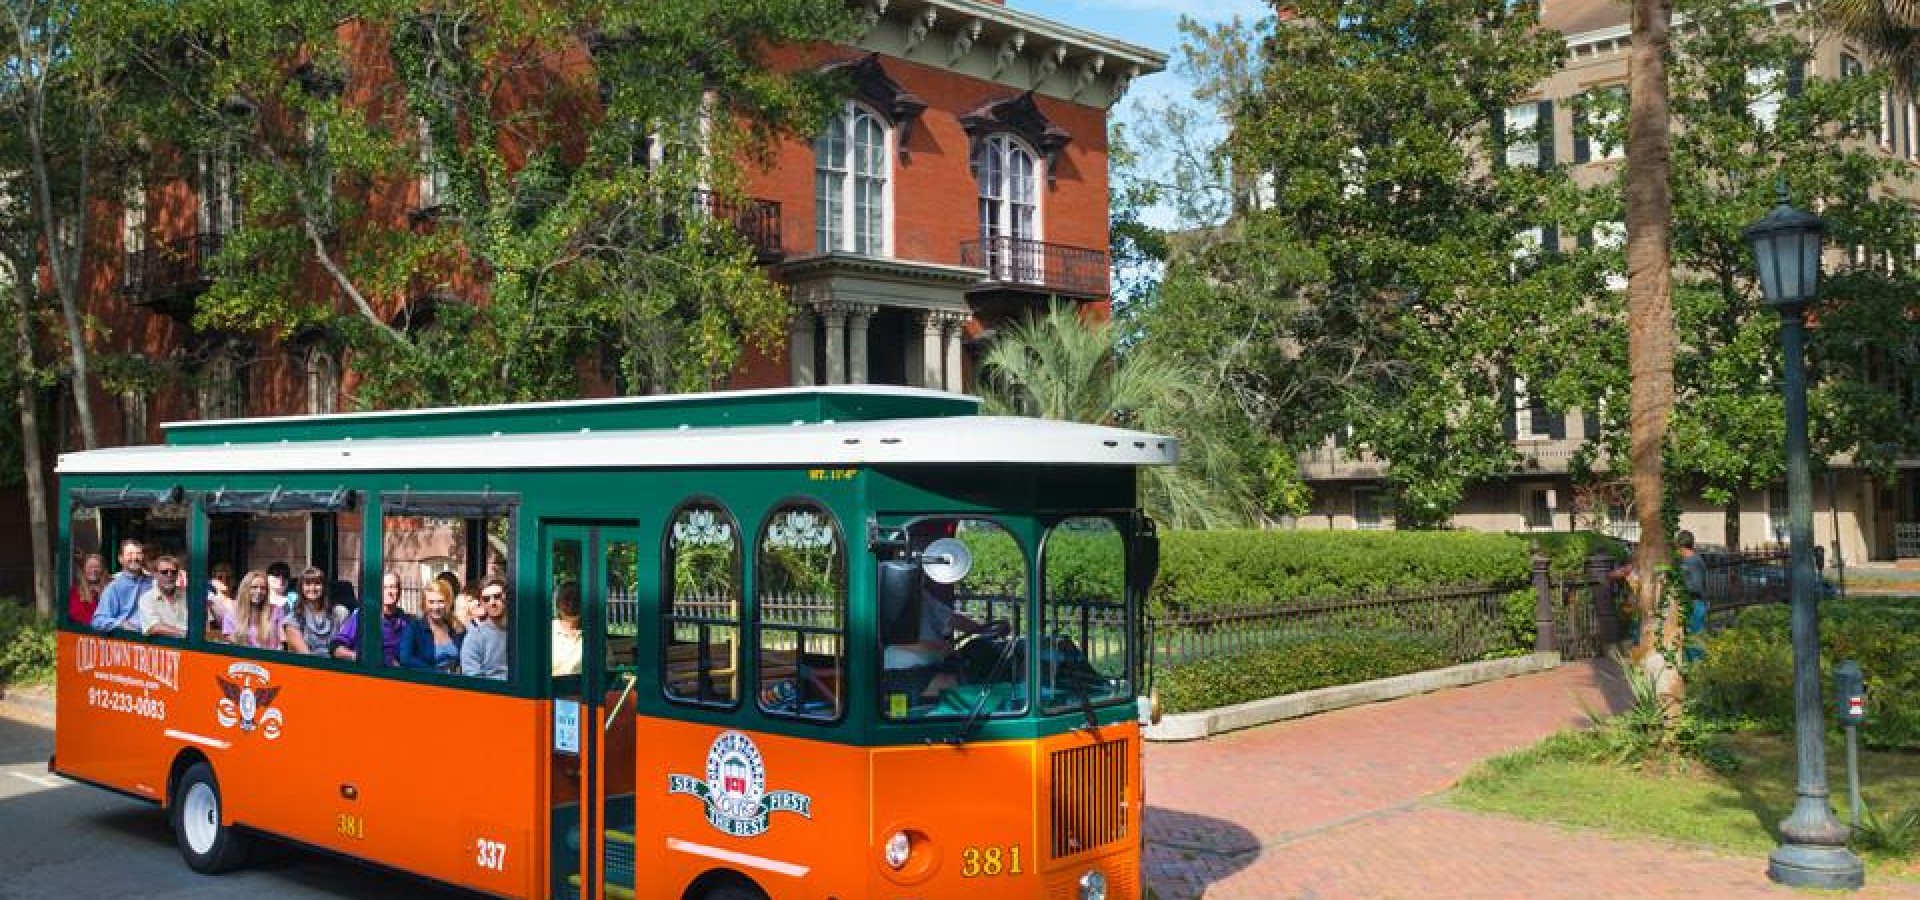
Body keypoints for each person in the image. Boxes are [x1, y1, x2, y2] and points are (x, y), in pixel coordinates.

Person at [332, 571, 413, 665]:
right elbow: (336, 648)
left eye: (393, 587)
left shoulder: (407, 622)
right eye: (384, 588)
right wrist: (360, 657)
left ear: (399, 591)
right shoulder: (362, 617)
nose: (389, 592)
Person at [401, 577, 466, 672]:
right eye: (431, 602)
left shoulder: (457, 627)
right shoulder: (414, 628)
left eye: (441, 601)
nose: (436, 607)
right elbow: (405, 659)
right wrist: (436, 673)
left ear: (448, 602)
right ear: (424, 604)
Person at [282, 566, 348, 656]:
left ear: (324, 587)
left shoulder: (340, 613)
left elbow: (344, 647)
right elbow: (306, 656)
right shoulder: (292, 619)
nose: (312, 588)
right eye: (308, 584)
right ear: (301, 588)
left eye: (317, 583)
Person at [90, 539, 151, 634]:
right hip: (128, 639)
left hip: (153, 641)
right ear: (120, 559)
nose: (134, 557)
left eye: (138, 553)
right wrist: (121, 624)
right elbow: (98, 621)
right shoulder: (114, 587)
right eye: (129, 554)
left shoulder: (153, 582)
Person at [460, 578, 510, 680]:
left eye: (497, 596)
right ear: (482, 603)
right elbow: (472, 678)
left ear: (506, 597)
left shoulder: (520, 630)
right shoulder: (475, 636)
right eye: (486, 599)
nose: (492, 602)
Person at [224, 570, 285, 650]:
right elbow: (231, 641)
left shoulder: (276, 610)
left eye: (263, 588)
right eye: (254, 587)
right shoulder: (232, 613)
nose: (259, 591)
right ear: (245, 589)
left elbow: (283, 640)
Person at [137, 555, 189, 639]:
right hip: (164, 648)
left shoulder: (187, 595)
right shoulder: (146, 599)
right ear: (155, 574)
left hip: (190, 648)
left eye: (173, 572)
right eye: (164, 572)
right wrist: (186, 634)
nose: (169, 575)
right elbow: (154, 627)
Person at [551, 583, 583, 676]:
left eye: (577, 599)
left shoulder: (594, 633)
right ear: (558, 604)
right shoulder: (546, 632)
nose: (572, 604)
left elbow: (607, 666)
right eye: (567, 598)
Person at [67, 553, 106, 625]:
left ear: (102, 570)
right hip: (83, 633)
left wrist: (101, 596)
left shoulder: (108, 590)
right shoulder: (75, 591)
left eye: (96, 567)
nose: (93, 570)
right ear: (84, 570)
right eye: (90, 567)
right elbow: (76, 615)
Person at [206, 562, 236, 633]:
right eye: (220, 578)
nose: (224, 581)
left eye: (228, 578)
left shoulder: (238, 596)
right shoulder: (210, 597)